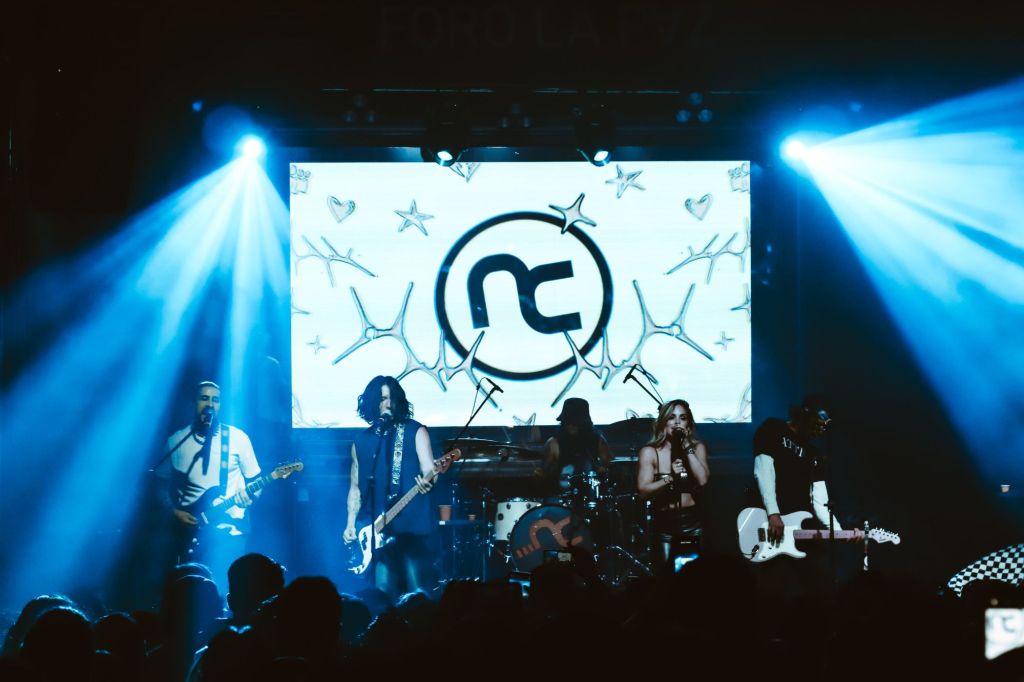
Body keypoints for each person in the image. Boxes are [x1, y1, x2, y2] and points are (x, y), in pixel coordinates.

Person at [157, 381, 262, 592]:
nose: (210, 404)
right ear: (193, 403)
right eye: (204, 398)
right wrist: (174, 512)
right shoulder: (177, 441)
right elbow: (159, 486)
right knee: (187, 595)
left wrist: (250, 497)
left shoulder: (238, 439)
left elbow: (256, 482)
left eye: (215, 400)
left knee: (225, 591)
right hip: (188, 534)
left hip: (229, 533)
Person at [344, 376, 435, 599]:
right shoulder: (361, 441)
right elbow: (355, 488)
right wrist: (350, 524)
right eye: (382, 398)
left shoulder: (415, 431)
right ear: (372, 402)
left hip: (411, 529)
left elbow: (430, 469)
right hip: (376, 529)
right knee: (382, 595)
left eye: (391, 398)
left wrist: (429, 481)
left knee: (417, 594)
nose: (388, 404)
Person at [747, 393, 843, 601]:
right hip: (769, 524)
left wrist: (839, 531)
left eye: (825, 424)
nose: (822, 427)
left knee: (819, 586)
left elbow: (820, 502)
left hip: (800, 529)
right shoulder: (773, 429)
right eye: (820, 420)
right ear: (806, 414)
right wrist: (773, 514)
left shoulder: (814, 455)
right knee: (773, 589)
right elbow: (764, 470)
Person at [636, 399, 710, 572]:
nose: (677, 422)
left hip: (693, 523)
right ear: (663, 422)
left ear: (688, 424)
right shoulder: (650, 452)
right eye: (671, 417)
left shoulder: (697, 448)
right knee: (668, 577)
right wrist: (670, 478)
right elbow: (643, 491)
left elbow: (702, 480)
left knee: (694, 577)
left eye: (682, 418)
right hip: (665, 525)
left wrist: (687, 446)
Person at [543, 398, 612, 502]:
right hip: (561, 498)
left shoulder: (598, 441)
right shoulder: (553, 443)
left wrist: (604, 471)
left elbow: (611, 467)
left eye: (575, 422)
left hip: (591, 497)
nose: (570, 425)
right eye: (567, 421)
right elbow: (544, 475)